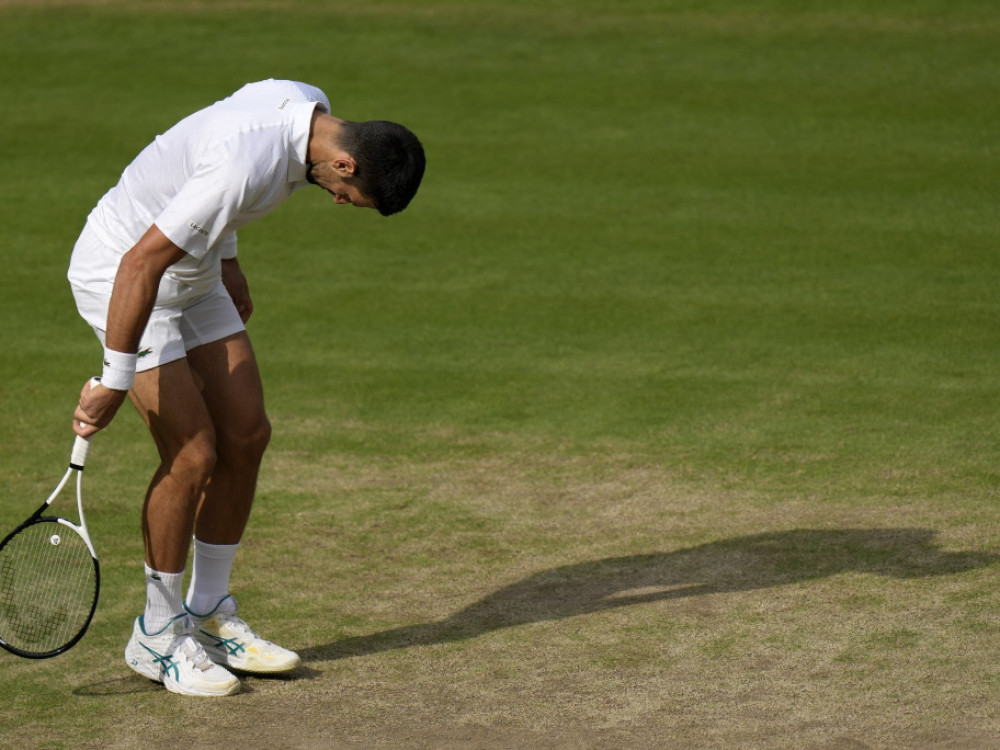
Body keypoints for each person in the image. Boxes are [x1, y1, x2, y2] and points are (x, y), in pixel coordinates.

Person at [67, 79, 425, 697]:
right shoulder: (246, 159)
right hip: (123, 274)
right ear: (343, 161)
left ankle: (208, 614)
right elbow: (139, 264)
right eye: (348, 192)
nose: (339, 200)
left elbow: (202, 179)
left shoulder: (300, 99)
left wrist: (226, 262)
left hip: (196, 272)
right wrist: (113, 379)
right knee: (192, 452)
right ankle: (156, 634)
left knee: (246, 433)